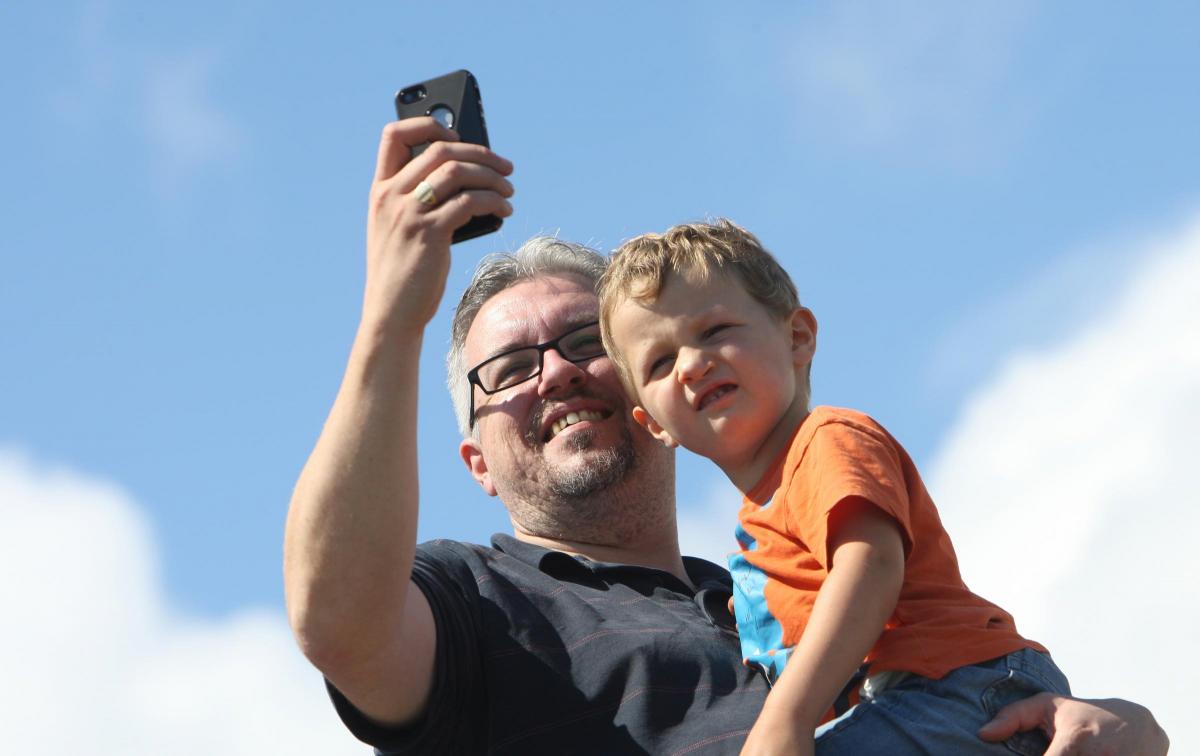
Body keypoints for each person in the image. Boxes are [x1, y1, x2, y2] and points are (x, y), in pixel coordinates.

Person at [282, 117, 1170, 755]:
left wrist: (1122, 725)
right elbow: (336, 620)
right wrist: (392, 322)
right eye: (508, 371)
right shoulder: (475, 601)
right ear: (476, 462)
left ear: (648, 407)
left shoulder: (769, 583)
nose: (554, 373)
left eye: (588, 344)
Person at [599, 220, 1079, 754]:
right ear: (654, 425)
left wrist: (788, 718)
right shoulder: (756, 527)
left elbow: (869, 566)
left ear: (797, 336)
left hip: (954, 690)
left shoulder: (826, 440)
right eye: (661, 362)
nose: (692, 364)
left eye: (714, 331)